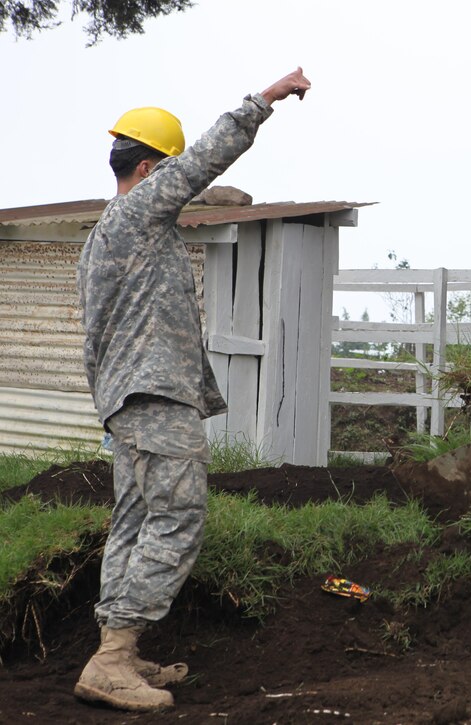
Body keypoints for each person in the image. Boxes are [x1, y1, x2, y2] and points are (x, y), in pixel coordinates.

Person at [73, 68, 311, 712]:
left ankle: (115, 648)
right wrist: (264, 99)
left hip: (127, 399)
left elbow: (196, 186)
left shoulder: (111, 232)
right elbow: (206, 156)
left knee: (134, 518)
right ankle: (114, 658)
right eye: (170, 174)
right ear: (150, 170)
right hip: (155, 395)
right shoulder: (140, 213)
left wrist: (212, 195)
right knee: (179, 515)